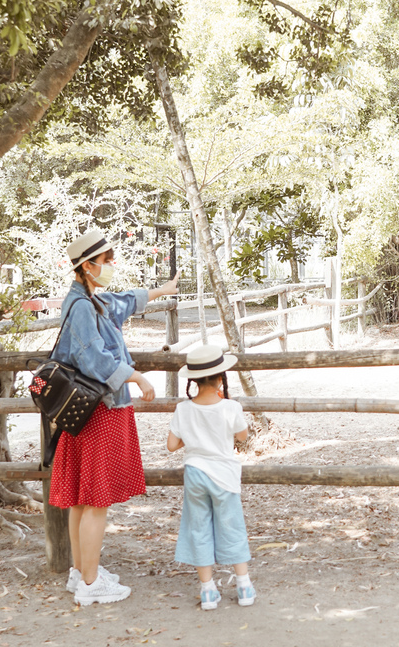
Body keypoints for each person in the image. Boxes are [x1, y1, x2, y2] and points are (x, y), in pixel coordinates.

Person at [49, 228, 179, 606]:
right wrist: (135, 375)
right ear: (87, 266)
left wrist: (163, 290)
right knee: (96, 500)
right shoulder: (84, 308)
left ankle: (80, 573)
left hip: (86, 414)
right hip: (100, 412)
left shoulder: (91, 300)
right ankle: (91, 585)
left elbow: (125, 301)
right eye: (105, 261)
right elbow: (93, 358)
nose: (110, 266)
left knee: (80, 499)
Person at [167, 344, 255, 611]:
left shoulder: (184, 409)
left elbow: (172, 445)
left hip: (195, 473)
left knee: (199, 528)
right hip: (224, 476)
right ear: (220, 378)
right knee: (232, 526)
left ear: (193, 381)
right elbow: (243, 436)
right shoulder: (230, 407)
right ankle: (244, 586)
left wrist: (194, 438)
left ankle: (207, 591)